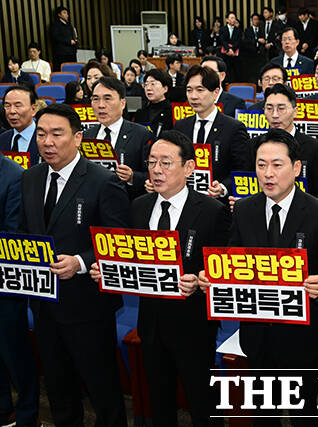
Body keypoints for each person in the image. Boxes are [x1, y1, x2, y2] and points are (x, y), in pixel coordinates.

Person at [199, 128, 318, 425]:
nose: (268, 173)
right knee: (264, 413)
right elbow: (232, 259)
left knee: (303, 414)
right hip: (257, 331)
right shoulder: (243, 209)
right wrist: (214, 277)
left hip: (302, 335)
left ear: (296, 168)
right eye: (261, 165)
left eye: (277, 164)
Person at [90, 130, 229, 427]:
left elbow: (222, 270)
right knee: (159, 401)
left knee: (202, 403)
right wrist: (108, 270)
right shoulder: (139, 206)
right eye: (152, 162)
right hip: (151, 323)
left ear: (188, 167)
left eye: (166, 163)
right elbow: (130, 258)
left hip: (193, 325)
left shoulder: (212, 211)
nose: (156, 170)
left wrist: (202, 280)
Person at [20, 103, 130, 426]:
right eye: (41, 134)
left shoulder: (103, 181)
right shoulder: (30, 177)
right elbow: (25, 232)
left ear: (78, 137)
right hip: (44, 302)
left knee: (102, 389)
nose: (47, 142)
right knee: (58, 388)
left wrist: (81, 262)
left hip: (88, 306)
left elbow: (119, 241)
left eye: (57, 134)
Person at [173, 65, 251, 199]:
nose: (193, 96)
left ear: (215, 92)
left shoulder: (234, 128)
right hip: (185, 198)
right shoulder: (181, 126)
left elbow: (243, 168)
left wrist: (224, 187)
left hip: (217, 202)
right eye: (189, 90)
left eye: (200, 90)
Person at [0, 150, 35, 427]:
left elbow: (14, 234)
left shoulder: (13, 175)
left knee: (15, 353)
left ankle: (27, 416)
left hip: (5, 283)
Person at [255, 83, 318, 198]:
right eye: (269, 108)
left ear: (295, 111)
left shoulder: (315, 148)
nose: (275, 115)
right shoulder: (253, 145)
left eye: (281, 108)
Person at [84, 77, 153, 198]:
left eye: (107, 99)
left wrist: (132, 177)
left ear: (122, 103)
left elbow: (153, 175)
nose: (101, 105)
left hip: (128, 202)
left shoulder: (142, 135)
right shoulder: (86, 136)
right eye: (95, 99)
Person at [0, 86, 40, 164]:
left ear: (33, 109)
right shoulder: (2, 139)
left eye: (18, 106)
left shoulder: (45, 139)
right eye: (7, 106)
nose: (12, 111)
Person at [134, 68, 173, 137]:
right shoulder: (141, 111)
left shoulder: (172, 112)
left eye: (153, 84)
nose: (148, 88)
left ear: (165, 88)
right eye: (146, 84)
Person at [50, 6, 77, 70]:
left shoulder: (69, 24)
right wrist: (69, 41)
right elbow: (55, 37)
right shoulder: (55, 25)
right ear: (59, 14)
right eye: (64, 13)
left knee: (73, 69)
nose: (67, 15)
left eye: (67, 13)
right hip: (61, 54)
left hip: (71, 52)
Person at [220, 11, 241, 81]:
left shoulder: (238, 30)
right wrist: (228, 49)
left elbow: (238, 41)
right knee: (225, 71)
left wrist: (232, 49)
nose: (233, 20)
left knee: (235, 72)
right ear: (227, 20)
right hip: (225, 54)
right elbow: (222, 40)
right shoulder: (222, 29)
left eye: (234, 18)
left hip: (235, 54)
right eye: (231, 18)